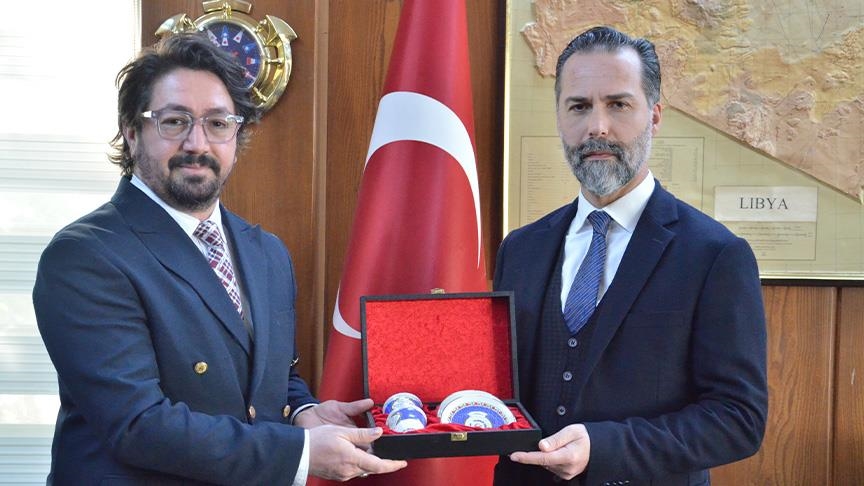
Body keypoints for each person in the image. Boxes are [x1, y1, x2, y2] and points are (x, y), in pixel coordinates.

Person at [32, 33, 406, 485]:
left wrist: (304, 413)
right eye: (174, 121)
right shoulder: (85, 255)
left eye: (217, 123)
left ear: (237, 135)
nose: (197, 143)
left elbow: (272, 377)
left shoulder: (266, 252)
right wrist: (301, 452)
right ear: (132, 132)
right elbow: (138, 425)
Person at [492, 26, 767, 486]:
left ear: (654, 117)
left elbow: (738, 419)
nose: (597, 126)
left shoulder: (715, 254)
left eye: (618, 104)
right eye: (579, 106)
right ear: (560, 118)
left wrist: (604, 447)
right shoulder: (520, 248)